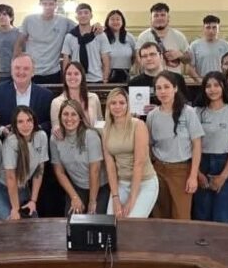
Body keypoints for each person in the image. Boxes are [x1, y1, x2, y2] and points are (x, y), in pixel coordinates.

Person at [146, 71, 203, 220]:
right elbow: (149, 145)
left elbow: (197, 145)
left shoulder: (188, 113)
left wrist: (193, 176)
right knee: (160, 214)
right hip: (159, 170)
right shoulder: (152, 115)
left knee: (181, 216)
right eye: (159, 88)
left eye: (166, 87)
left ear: (175, 88)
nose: (163, 91)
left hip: (181, 170)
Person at [192, 72, 228, 223]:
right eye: (208, 86)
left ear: (223, 87)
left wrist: (223, 177)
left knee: (224, 215)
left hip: (225, 163)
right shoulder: (196, 112)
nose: (212, 89)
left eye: (216, 85)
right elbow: (191, 144)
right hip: (202, 163)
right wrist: (198, 173)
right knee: (202, 213)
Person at [102, 88, 158, 218]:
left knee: (130, 222)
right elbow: (110, 166)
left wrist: (132, 199)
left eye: (122, 103)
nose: (117, 106)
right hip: (122, 183)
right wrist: (115, 197)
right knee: (112, 222)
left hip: (144, 182)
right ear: (108, 105)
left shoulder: (138, 125)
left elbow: (139, 162)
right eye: (113, 103)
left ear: (128, 105)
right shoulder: (106, 130)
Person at [50, 99, 110, 215]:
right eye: (65, 114)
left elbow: (95, 171)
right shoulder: (55, 139)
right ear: (60, 116)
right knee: (73, 219)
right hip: (77, 187)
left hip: (100, 187)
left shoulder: (90, 136)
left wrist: (92, 202)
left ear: (80, 117)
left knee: (95, 219)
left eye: (73, 114)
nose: (69, 118)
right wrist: (74, 197)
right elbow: (59, 172)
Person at [0, 107, 49, 220]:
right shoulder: (11, 141)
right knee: (12, 223)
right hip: (1, 189)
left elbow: (39, 171)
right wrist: (15, 209)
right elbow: (11, 177)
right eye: (20, 121)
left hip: (22, 187)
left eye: (29, 120)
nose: (25, 125)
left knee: (32, 221)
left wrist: (33, 201)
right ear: (15, 124)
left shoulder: (41, 136)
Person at [15, 0, 77, 84]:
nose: (48, 7)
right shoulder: (29, 20)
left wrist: (97, 27)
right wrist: (17, 67)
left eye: (51, 4)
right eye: (44, 4)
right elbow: (19, 44)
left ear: (56, 5)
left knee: (53, 98)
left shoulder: (64, 21)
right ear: (40, 5)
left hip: (53, 72)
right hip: (31, 71)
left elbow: (82, 28)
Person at [129, 42, 189, 116]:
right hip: (142, 124)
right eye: (144, 56)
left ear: (161, 56)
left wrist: (160, 110)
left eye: (152, 54)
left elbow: (185, 106)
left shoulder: (177, 78)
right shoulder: (134, 83)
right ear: (141, 60)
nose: (149, 58)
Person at [61, 3, 111, 83]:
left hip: (96, 78)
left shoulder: (100, 35)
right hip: (76, 79)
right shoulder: (70, 36)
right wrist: (66, 79)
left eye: (86, 13)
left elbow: (106, 59)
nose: (83, 15)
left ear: (91, 15)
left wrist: (105, 78)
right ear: (76, 17)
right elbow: (66, 60)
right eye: (80, 13)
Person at [136, 3, 191, 75]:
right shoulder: (143, 37)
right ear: (151, 19)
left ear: (168, 18)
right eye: (156, 16)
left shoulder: (179, 36)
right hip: (150, 79)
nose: (159, 18)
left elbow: (188, 59)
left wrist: (180, 55)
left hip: (174, 80)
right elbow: (138, 60)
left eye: (163, 15)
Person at [50, 61, 103, 132]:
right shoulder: (56, 103)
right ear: (64, 77)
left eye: (76, 74)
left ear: (82, 76)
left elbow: (100, 122)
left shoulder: (94, 98)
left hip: (92, 140)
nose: (72, 77)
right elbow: (56, 128)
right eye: (69, 74)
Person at [188, 15, 228, 82]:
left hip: (222, 83)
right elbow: (190, 68)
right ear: (203, 29)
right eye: (208, 28)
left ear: (219, 29)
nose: (211, 31)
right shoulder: (194, 45)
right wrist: (200, 81)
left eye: (214, 27)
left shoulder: (227, 46)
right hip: (202, 83)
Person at [0, 4, 21, 84]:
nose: (1, 17)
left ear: (11, 17)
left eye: (4, 14)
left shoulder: (20, 33)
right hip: (2, 75)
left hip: (19, 73)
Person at [104, 9, 136, 83]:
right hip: (108, 75)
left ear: (122, 22)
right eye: (112, 19)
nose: (115, 22)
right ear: (107, 22)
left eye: (118, 19)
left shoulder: (129, 36)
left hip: (127, 75)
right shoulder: (103, 37)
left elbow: (135, 56)